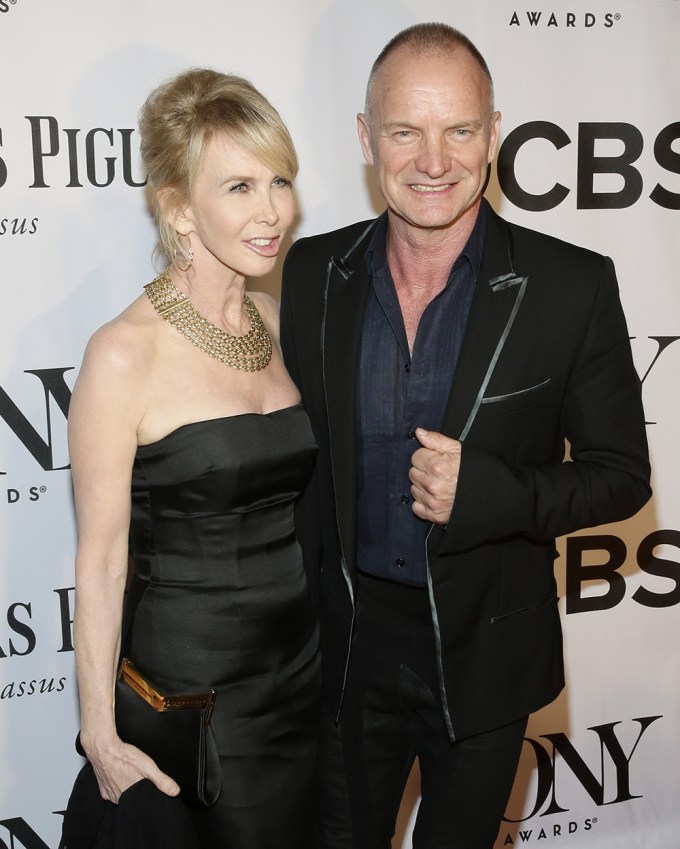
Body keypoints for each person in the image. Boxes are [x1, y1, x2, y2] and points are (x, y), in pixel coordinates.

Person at [280, 22, 651, 849]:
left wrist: (488, 491)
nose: (433, 160)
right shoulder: (312, 274)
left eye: (459, 129)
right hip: (345, 656)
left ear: (493, 134)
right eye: (406, 130)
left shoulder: (571, 285)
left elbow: (622, 475)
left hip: (485, 655)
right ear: (367, 138)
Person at [67, 68, 320, 848]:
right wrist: (99, 733)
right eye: (239, 186)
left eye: (280, 179)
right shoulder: (120, 355)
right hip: (198, 699)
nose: (272, 209)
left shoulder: (275, 321)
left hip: (303, 681)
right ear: (178, 206)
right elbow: (102, 559)